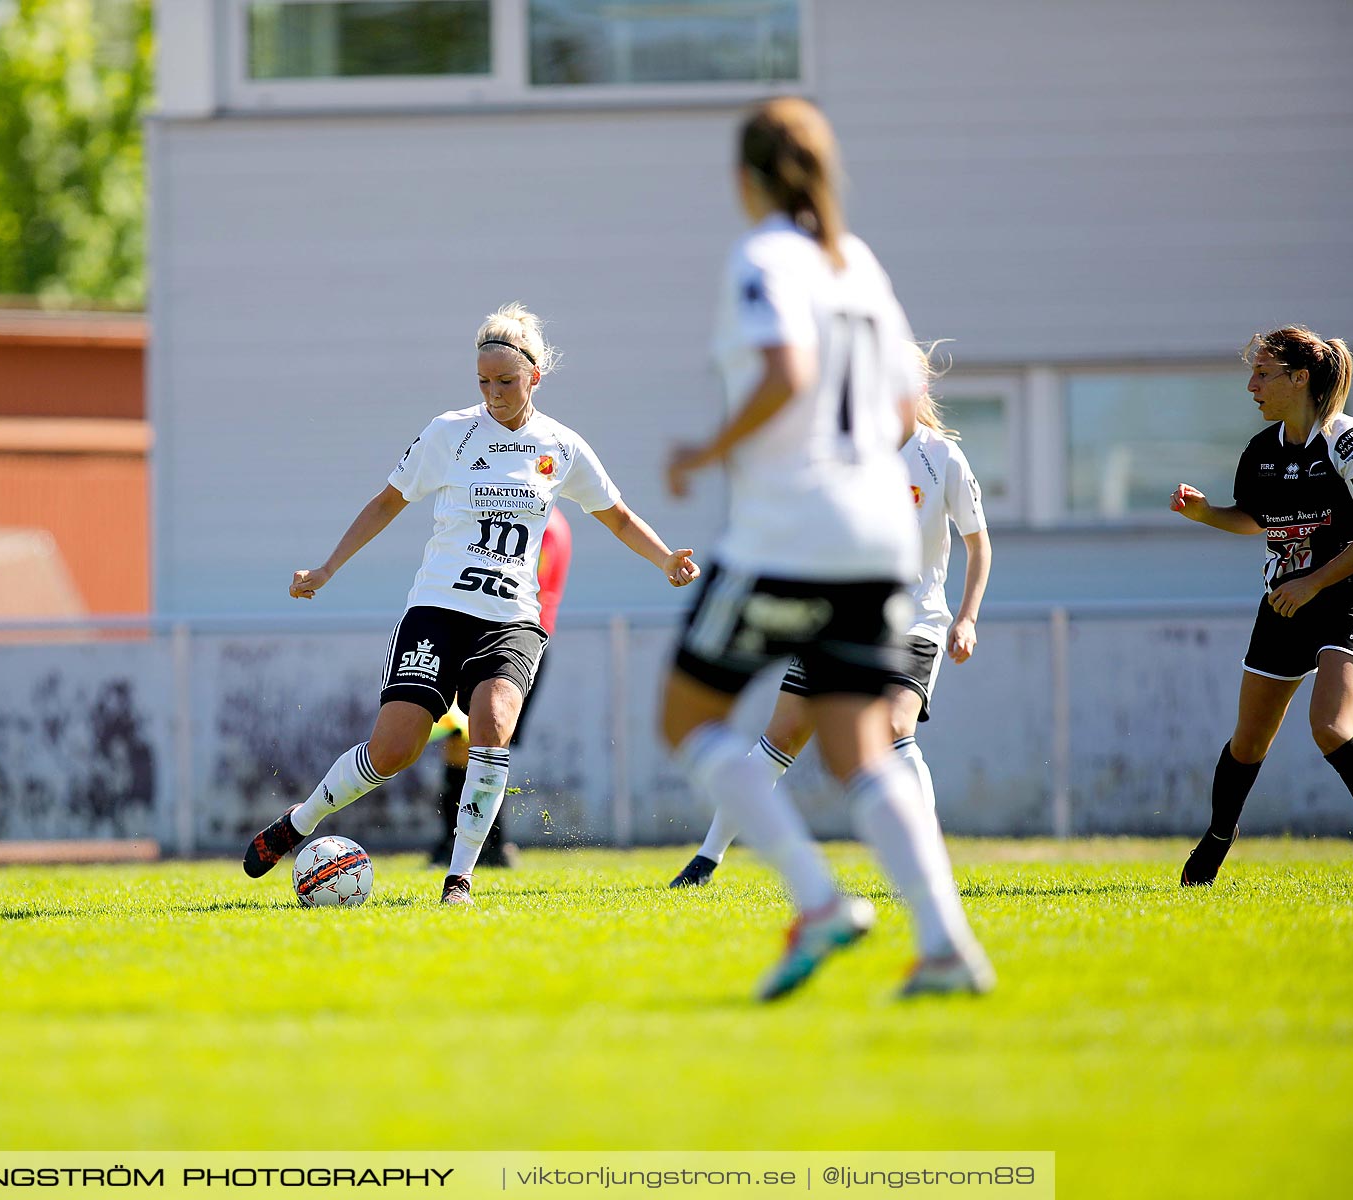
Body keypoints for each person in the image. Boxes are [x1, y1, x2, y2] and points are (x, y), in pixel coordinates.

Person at [662, 97, 991, 1001]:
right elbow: (893, 409)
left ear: (746, 177)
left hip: (792, 530)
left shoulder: (763, 256)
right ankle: (944, 946)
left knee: (687, 717)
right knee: (857, 749)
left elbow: (786, 374)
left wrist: (708, 451)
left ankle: (816, 899)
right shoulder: (859, 265)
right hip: (879, 535)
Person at [245, 303, 699, 904]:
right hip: (437, 611)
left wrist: (666, 558)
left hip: (512, 619)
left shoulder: (560, 447)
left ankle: (458, 880)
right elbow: (387, 501)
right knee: (394, 749)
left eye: (506, 382)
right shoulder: (447, 432)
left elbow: (615, 515)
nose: (493, 393)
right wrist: (328, 568)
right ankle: (298, 824)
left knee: (492, 726)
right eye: (483, 381)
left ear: (535, 376)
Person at [671, 344, 992, 887]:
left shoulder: (942, 459)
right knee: (785, 733)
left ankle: (929, 864)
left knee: (892, 725)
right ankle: (706, 860)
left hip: (914, 624)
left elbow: (979, 546)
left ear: (920, 391)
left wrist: (967, 618)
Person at [1170, 326, 1353, 886]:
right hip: (1283, 604)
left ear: (1300, 379)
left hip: (1340, 598)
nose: (1252, 385)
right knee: (1248, 741)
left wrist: (1315, 582)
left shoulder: (1345, 442)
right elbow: (1256, 518)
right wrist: (1206, 514)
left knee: (1331, 727)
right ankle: (1220, 836)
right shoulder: (1260, 452)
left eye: (1263, 373)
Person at [425, 504, 572, 868]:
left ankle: (487, 843)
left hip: (511, 639)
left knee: (483, 740)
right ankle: (473, 842)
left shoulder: (539, 521)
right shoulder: (543, 518)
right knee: (466, 740)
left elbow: (518, 580)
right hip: (500, 637)